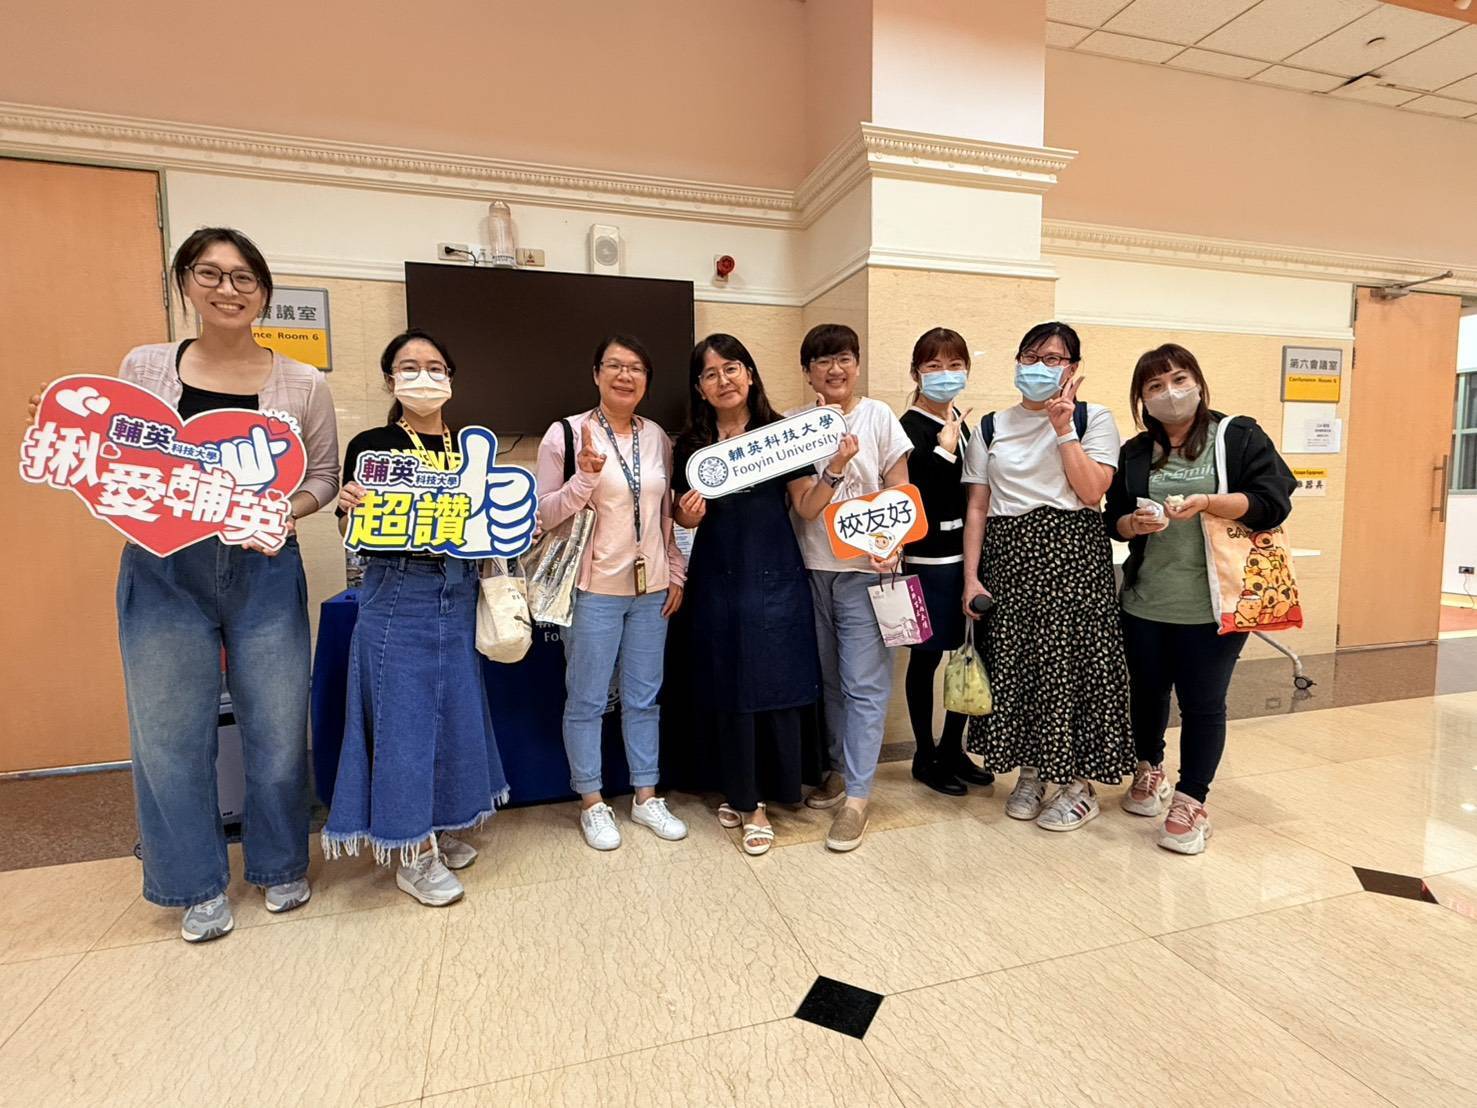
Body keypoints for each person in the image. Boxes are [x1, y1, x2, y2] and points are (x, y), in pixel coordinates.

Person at [24, 227, 340, 942]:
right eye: (210, 273)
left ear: (263, 292)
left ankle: (280, 863)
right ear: (186, 283)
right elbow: (108, 449)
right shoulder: (144, 367)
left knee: (278, 727)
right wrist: (63, 414)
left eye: (244, 277)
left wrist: (280, 511)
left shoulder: (302, 383)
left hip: (264, 567)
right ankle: (195, 883)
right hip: (163, 567)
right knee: (169, 735)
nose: (228, 289)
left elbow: (321, 476)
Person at [325, 329, 510, 904]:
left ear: (450, 378)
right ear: (390, 380)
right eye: (409, 367)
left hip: (458, 590)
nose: (423, 376)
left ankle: (440, 823)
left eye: (434, 366)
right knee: (402, 723)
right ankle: (412, 850)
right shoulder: (373, 445)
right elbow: (351, 530)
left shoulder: (470, 447)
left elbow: (486, 521)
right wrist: (347, 508)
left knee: (454, 715)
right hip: (399, 591)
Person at [1106, 343, 1296, 854]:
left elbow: (1273, 501)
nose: (1169, 393)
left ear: (1197, 382)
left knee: (1203, 702)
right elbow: (1113, 519)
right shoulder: (1136, 452)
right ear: (1142, 398)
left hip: (1218, 601)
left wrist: (1209, 502)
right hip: (1146, 598)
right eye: (1155, 385)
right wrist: (1133, 523)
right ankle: (1149, 769)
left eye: (1178, 379)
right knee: (1146, 692)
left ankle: (1192, 799)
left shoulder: (1236, 436)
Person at [960, 321, 1132, 832]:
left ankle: (1078, 785)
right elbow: (978, 508)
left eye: (1053, 359)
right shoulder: (990, 426)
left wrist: (1063, 429)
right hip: (1009, 558)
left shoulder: (1093, 418)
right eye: (1030, 357)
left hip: (1073, 558)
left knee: (1074, 667)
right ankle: (1032, 772)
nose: (1039, 367)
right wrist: (971, 578)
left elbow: (1092, 492)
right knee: (1020, 667)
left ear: (1072, 368)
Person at [672, 334, 830, 854]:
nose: (723, 380)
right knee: (725, 681)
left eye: (732, 368)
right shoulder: (691, 445)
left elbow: (806, 506)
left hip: (775, 573)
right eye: (710, 373)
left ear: (750, 374)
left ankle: (760, 797)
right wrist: (685, 514)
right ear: (699, 387)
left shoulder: (780, 435)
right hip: (716, 579)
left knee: (772, 679)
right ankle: (740, 792)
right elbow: (681, 516)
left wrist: (835, 470)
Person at [536, 335, 688, 851]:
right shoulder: (565, 433)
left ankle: (645, 796)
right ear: (596, 374)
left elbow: (664, 514)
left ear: (647, 379)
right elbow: (543, 515)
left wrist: (675, 571)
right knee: (587, 699)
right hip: (592, 588)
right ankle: (592, 802)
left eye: (636, 368)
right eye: (615, 366)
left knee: (644, 698)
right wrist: (584, 478)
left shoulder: (657, 436)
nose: (626, 376)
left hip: (652, 589)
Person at [789, 323, 912, 852]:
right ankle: (839, 771)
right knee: (831, 682)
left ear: (857, 364)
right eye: (822, 361)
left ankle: (858, 798)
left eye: (843, 358)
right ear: (807, 372)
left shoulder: (879, 415)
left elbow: (901, 489)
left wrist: (894, 544)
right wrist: (833, 466)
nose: (834, 369)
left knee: (865, 684)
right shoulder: (794, 426)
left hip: (868, 571)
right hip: (813, 569)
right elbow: (804, 507)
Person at [898, 328, 994, 797]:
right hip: (924, 560)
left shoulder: (961, 421)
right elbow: (913, 499)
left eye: (955, 366)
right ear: (916, 372)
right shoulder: (907, 426)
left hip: (966, 558)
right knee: (926, 657)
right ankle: (924, 754)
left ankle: (953, 747)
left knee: (967, 652)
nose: (945, 374)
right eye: (934, 366)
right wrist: (943, 450)